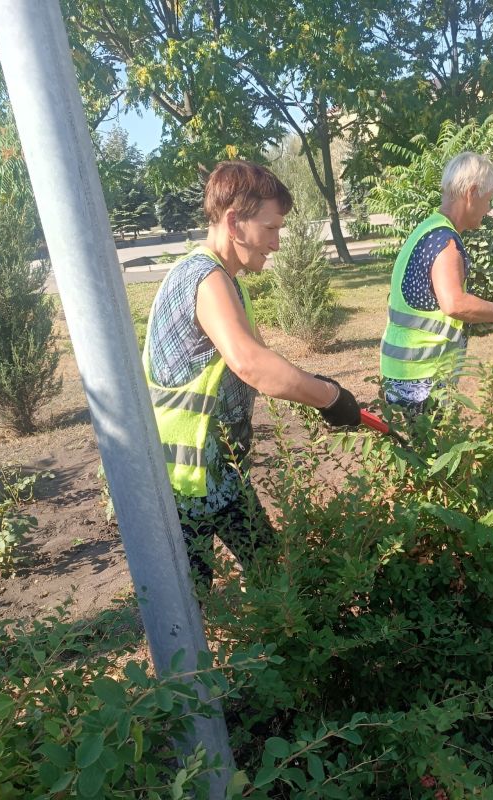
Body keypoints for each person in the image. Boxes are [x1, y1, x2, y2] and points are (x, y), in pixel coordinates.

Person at [143, 160, 360, 587]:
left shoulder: (229, 281)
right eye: (270, 228)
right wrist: (330, 399)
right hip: (181, 484)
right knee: (187, 605)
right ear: (234, 223)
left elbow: (258, 358)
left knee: (273, 577)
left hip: (219, 474)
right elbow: (250, 364)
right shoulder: (204, 278)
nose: (276, 243)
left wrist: (319, 386)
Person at [380, 151, 493, 415]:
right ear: (472, 193)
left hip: (404, 372)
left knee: (412, 441)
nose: (488, 208)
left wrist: (481, 320)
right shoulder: (444, 242)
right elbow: (454, 304)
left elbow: (431, 309)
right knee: (432, 442)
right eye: (488, 199)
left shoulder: (428, 229)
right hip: (421, 378)